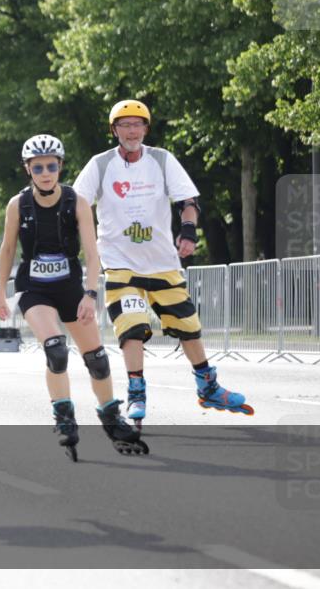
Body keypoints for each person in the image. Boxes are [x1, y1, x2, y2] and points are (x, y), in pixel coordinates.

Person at [73, 100, 252, 426]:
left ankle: (207, 386)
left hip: (162, 262)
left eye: (137, 125)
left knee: (189, 327)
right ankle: (137, 393)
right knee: (132, 328)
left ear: (145, 129)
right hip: (119, 264)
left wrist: (188, 232)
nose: (131, 131)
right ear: (114, 131)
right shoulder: (99, 165)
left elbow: (188, 201)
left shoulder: (161, 159)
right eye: (124, 125)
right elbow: (77, 204)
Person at [0, 135, 146, 461]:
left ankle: (110, 418)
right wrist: (0, 294)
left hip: (70, 286)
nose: (46, 172)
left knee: (97, 359)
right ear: (28, 170)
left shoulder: (76, 202)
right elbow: (7, 249)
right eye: (38, 167)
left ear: (60, 167)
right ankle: (64, 416)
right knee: (56, 349)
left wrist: (90, 294)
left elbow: (92, 254)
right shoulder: (17, 205)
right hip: (33, 287)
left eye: (51, 166)